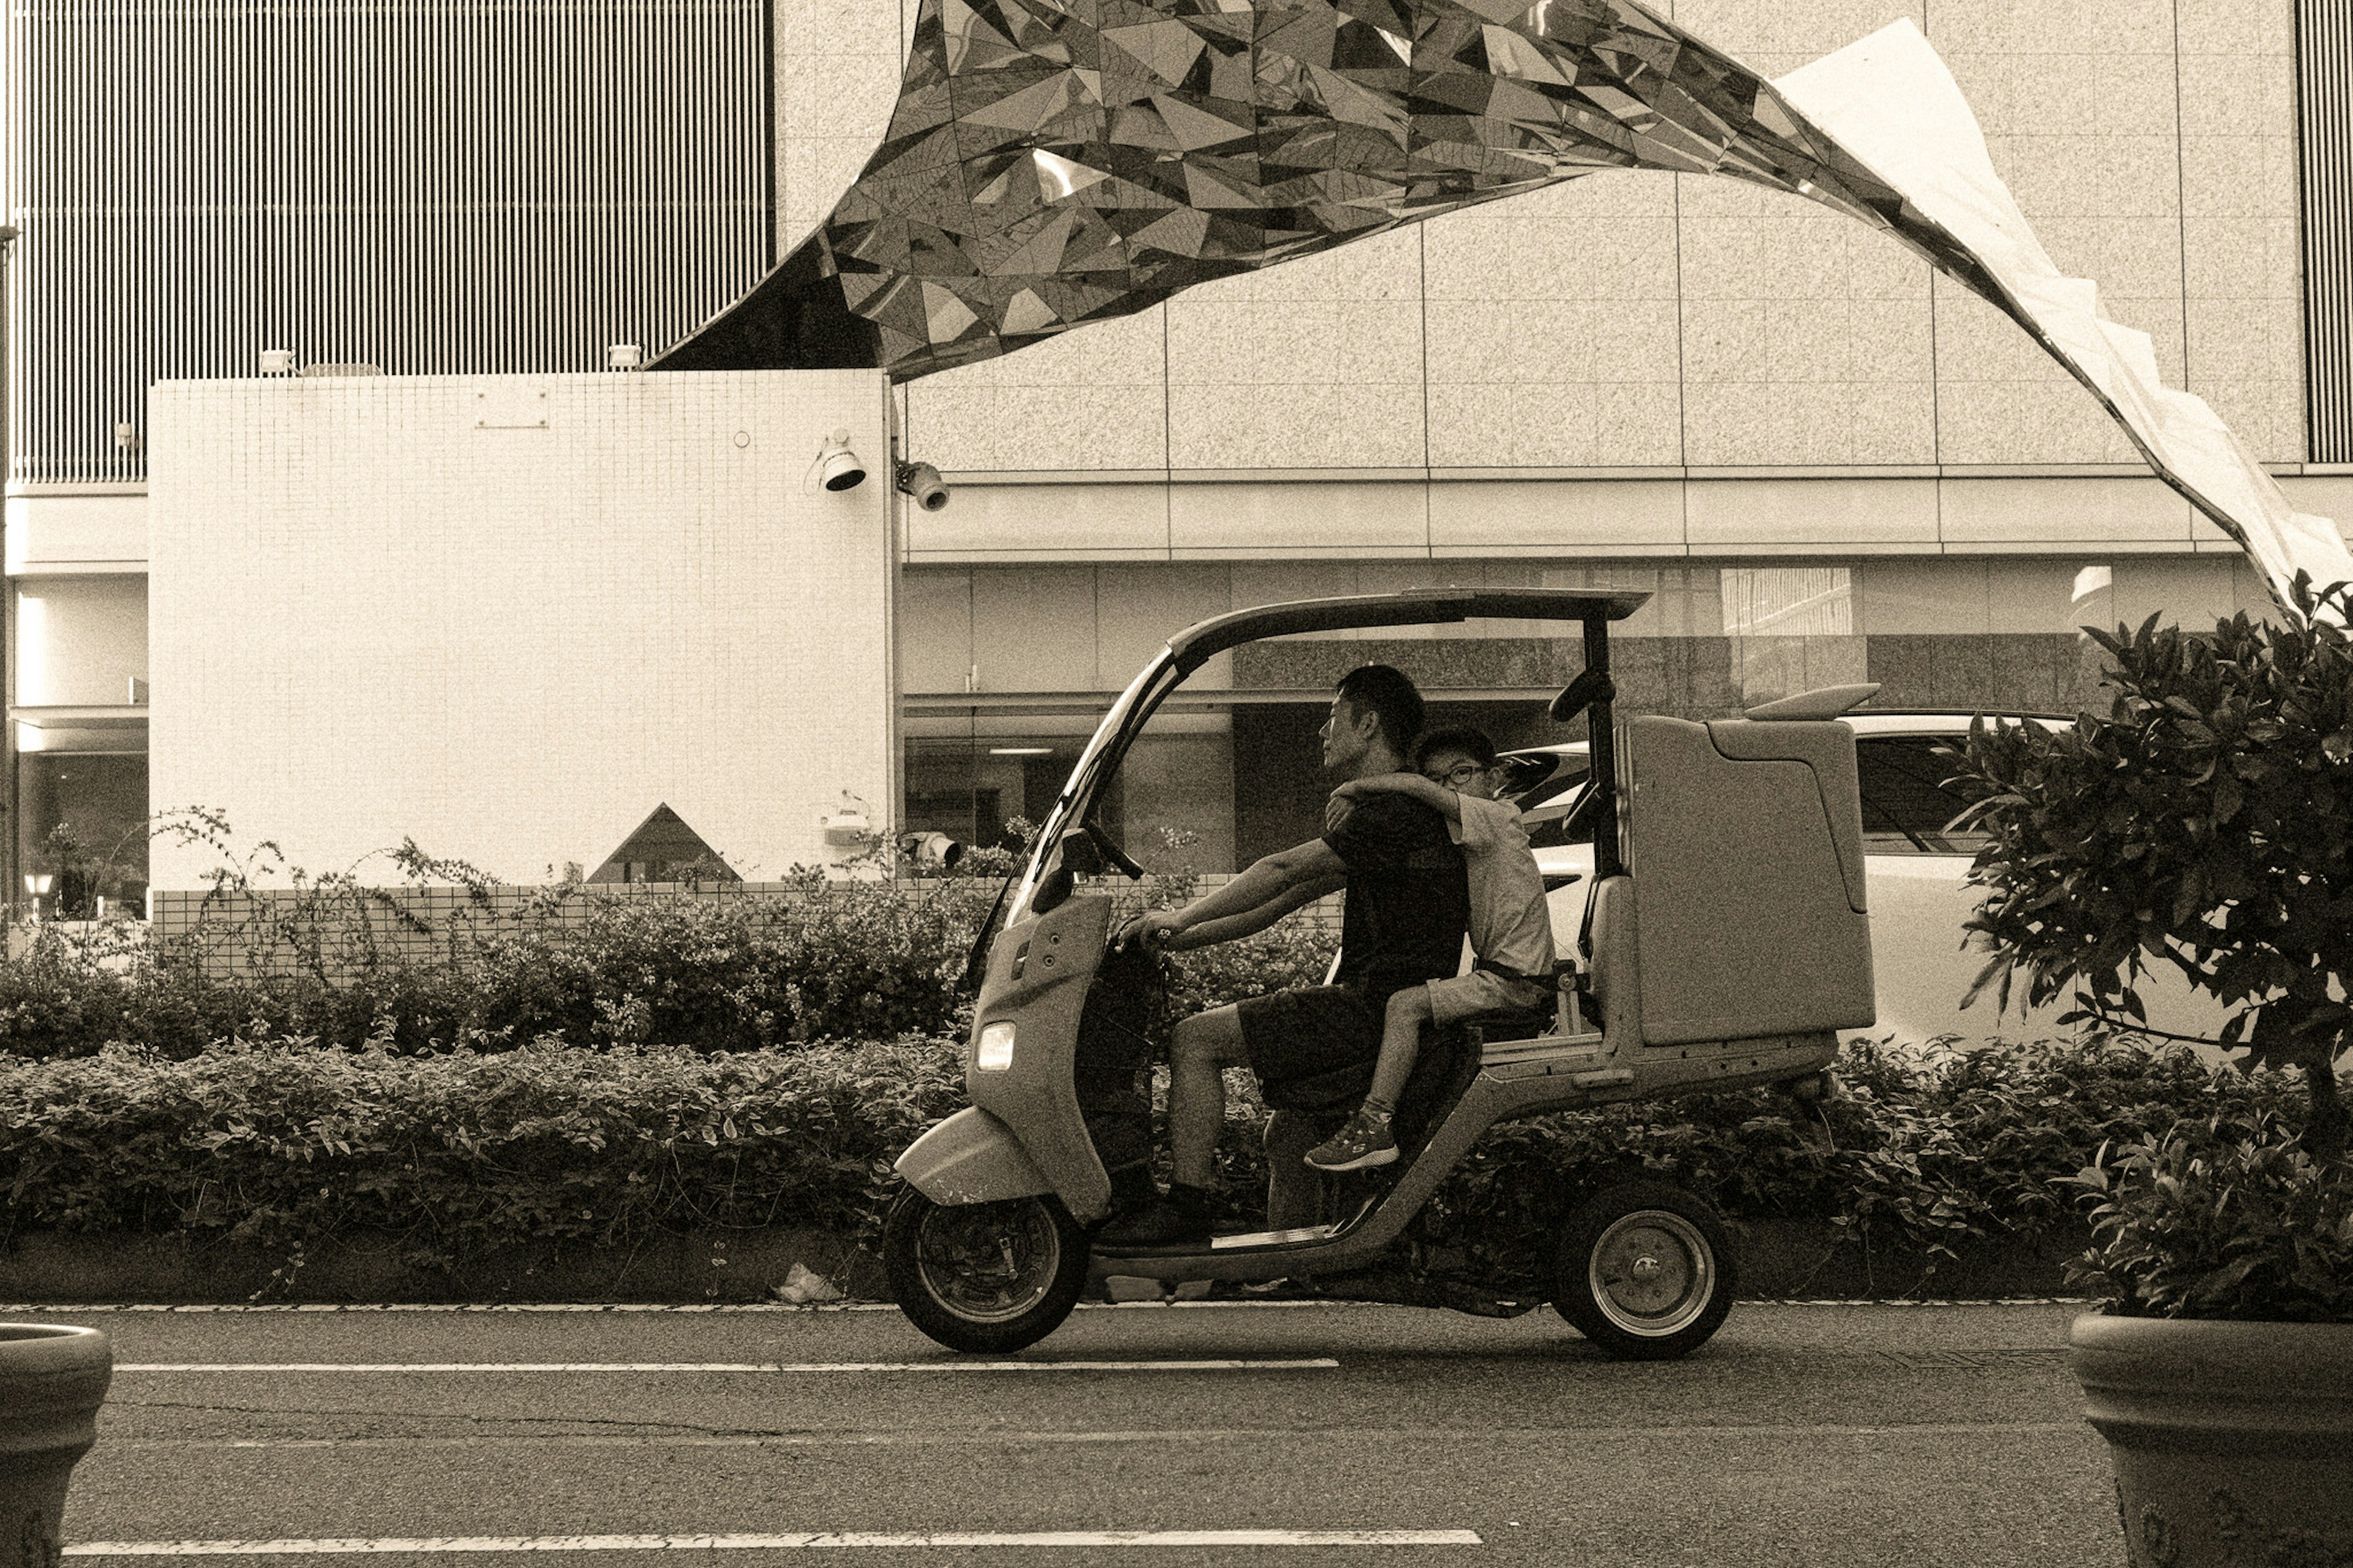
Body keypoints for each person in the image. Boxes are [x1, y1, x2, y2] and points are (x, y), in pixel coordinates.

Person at [1096, 664, 1469, 1248]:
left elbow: (1281, 869)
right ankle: (1292, 1270)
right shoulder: (1387, 816)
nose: (1322, 731)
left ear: (1368, 724)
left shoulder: (1393, 813)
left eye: (1332, 716)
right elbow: (1277, 903)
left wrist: (1181, 914)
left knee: (1194, 1040)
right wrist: (1172, 937)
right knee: (1289, 1135)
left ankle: (1188, 1205)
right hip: (1373, 1006)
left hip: (1370, 1009)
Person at [1302, 725, 1555, 1171]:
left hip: (1515, 982)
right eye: (1440, 778)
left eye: (1462, 773)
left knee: (1404, 1005)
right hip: (1505, 975)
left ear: (1493, 776)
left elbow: (1417, 788)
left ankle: (1375, 1123)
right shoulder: (1471, 835)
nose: (1449, 787)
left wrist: (1354, 787)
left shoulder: (1498, 817)